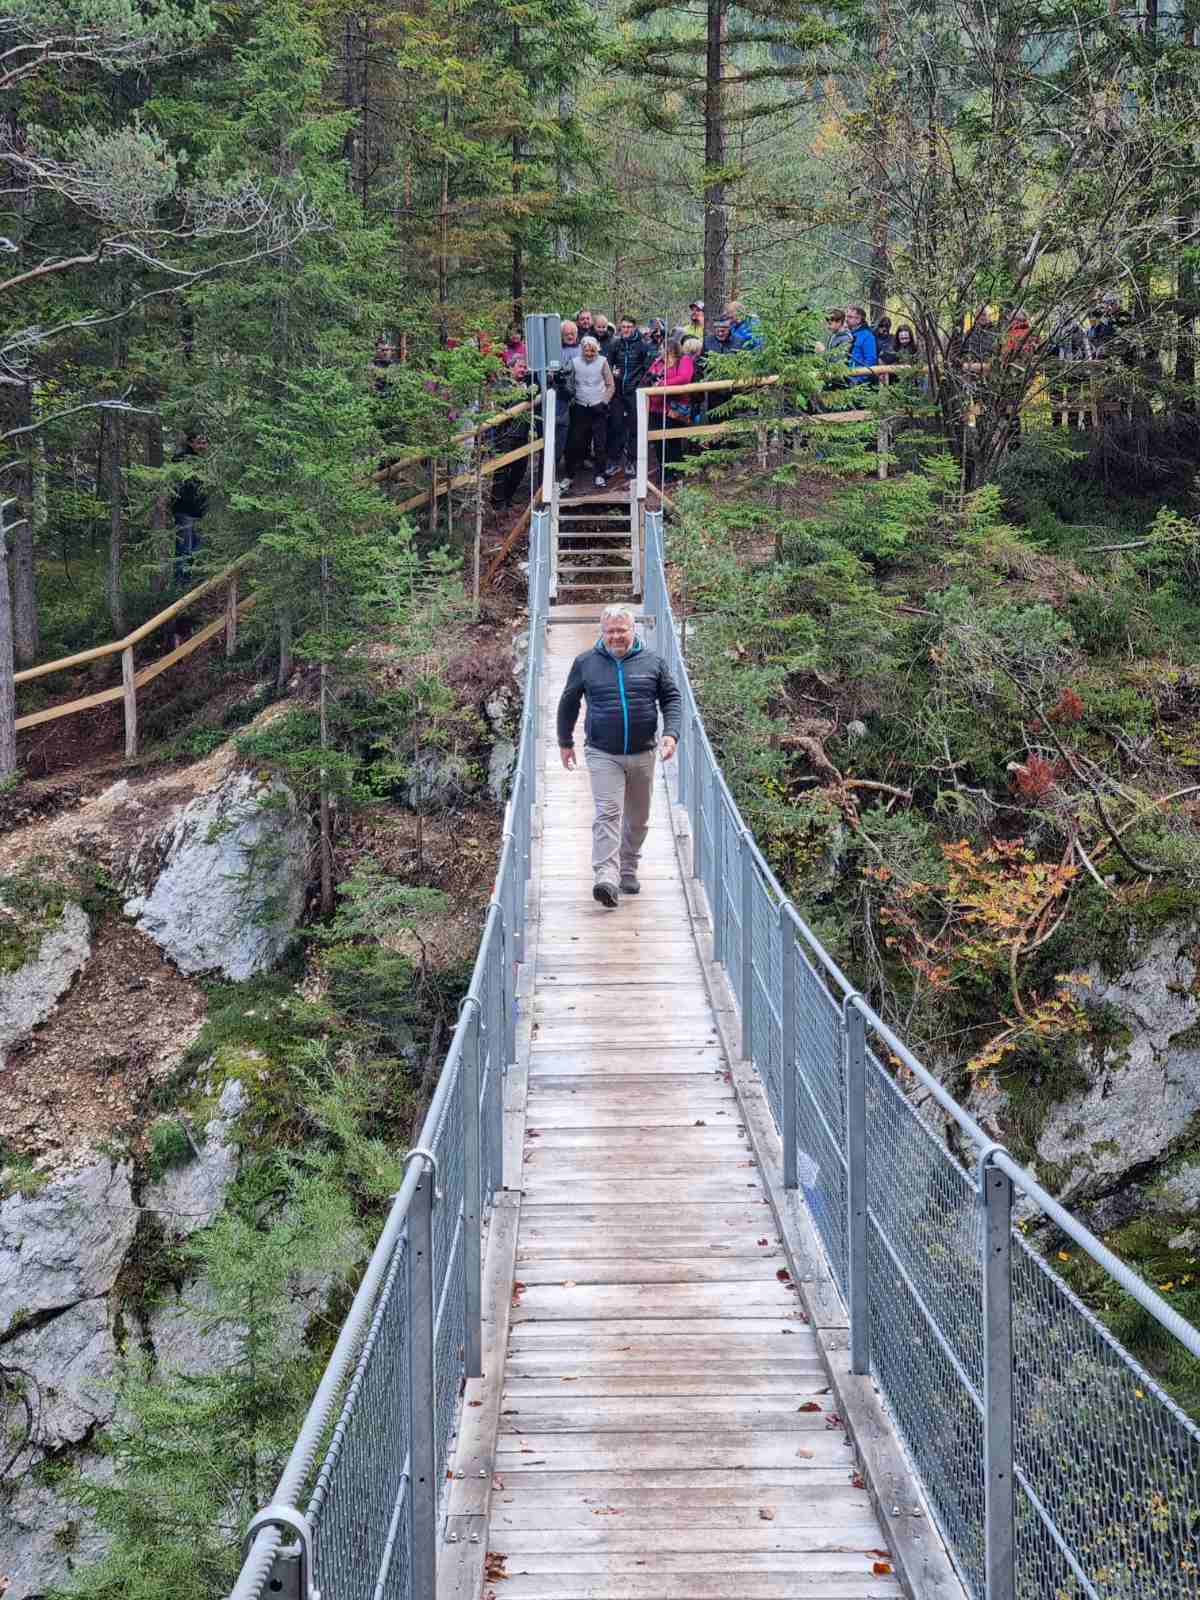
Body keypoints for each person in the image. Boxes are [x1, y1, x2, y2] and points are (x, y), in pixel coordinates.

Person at [557, 603, 682, 907]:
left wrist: (671, 733)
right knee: (608, 813)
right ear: (602, 632)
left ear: (633, 630)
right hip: (603, 752)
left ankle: (628, 868)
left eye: (621, 630)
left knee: (638, 819)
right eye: (610, 631)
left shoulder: (653, 661)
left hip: (643, 752)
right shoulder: (586, 663)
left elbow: (671, 698)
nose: (616, 636)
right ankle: (606, 877)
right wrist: (565, 741)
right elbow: (568, 701)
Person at [566, 336, 616, 487]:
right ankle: (570, 474)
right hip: (581, 406)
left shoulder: (602, 361)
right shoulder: (574, 362)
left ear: (596, 349)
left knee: (600, 444)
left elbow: (610, 385)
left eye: (592, 351)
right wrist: (572, 398)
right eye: (586, 350)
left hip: (598, 406)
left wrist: (604, 401)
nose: (589, 354)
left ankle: (599, 474)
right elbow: (570, 383)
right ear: (582, 349)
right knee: (576, 442)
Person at [646, 333, 695, 477]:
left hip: (674, 407)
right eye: (662, 348)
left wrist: (662, 384)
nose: (662, 351)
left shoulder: (684, 360)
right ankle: (665, 471)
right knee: (659, 441)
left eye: (665, 348)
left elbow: (684, 377)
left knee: (673, 440)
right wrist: (652, 380)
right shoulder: (658, 362)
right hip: (656, 407)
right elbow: (648, 377)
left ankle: (677, 469)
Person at [609, 315, 650, 475]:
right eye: (623, 327)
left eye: (628, 327)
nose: (625, 330)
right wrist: (613, 373)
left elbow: (647, 369)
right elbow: (609, 365)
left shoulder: (642, 345)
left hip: (634, 391)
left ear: (634, 328)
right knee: (616, 425)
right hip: (618, 391)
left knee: (634, 427)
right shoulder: (616, 343)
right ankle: (614, 461)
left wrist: (639, 386)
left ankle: (632, 461)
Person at [171, 431, 208, 588]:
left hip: (198, 513)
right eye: (200, 442)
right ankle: (180, 583)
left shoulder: (204, 461)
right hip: (185, 512)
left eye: (205, 442)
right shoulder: (182, 458)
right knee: (184, 549)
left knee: (194, 550)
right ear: (191, 443)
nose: (203, 446)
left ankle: (188, 581)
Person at [1049, 314, 1092, 428]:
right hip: (1057, 367)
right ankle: (1057, 425)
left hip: (1074, 368)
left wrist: (1087, 368)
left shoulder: (1078, 329)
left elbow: (1085, 348)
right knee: (1055, 397)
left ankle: (1073, 425)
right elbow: (1050, 345)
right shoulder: (1056, 328)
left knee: (1073, 397)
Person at [552, 319, 580, 489]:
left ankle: (570, 472)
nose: (570, 336)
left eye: (572, 333)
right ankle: (553, 474)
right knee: (559, 437)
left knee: (575, 438)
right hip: (561, 398)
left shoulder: (580, 349)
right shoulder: (556, 350)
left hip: (579, 397)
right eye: (566, 334)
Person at [845, 306, 878, 382]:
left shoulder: (868, 336)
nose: (846, 319)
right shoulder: (849, 334)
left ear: (858, 319)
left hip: (862, 384)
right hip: (848, 379)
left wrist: (859, 380)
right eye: (847, 316)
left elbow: (871, 360)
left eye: (850, 317)